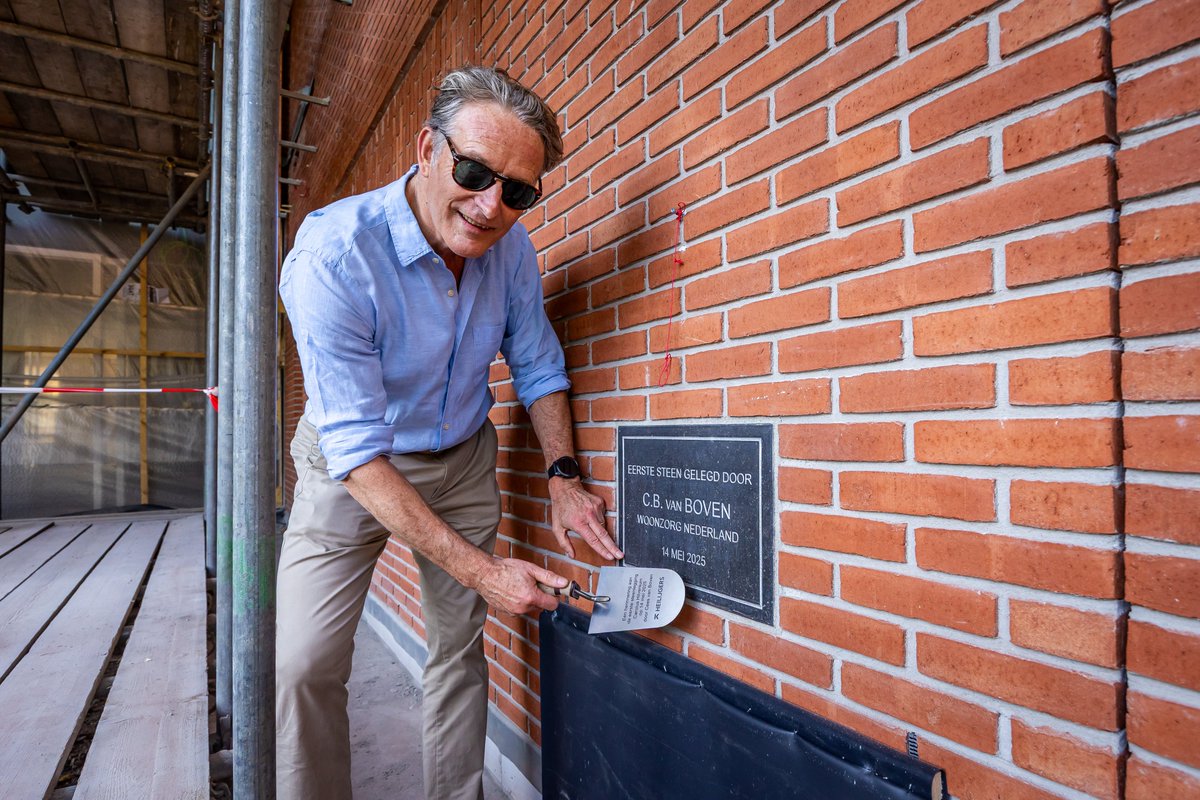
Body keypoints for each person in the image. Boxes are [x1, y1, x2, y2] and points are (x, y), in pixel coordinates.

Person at [276, 65, 623, 800]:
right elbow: (357, 455)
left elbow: (537, 366)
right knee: (304, 664)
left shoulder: (512, 251)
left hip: (462, 459)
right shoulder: (333, 258)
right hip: (354, 466)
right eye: (474, 171)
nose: (492, 206)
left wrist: (563, 478)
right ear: (427, 147)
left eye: (518, 192)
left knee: (458, 653)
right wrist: (488, 571)